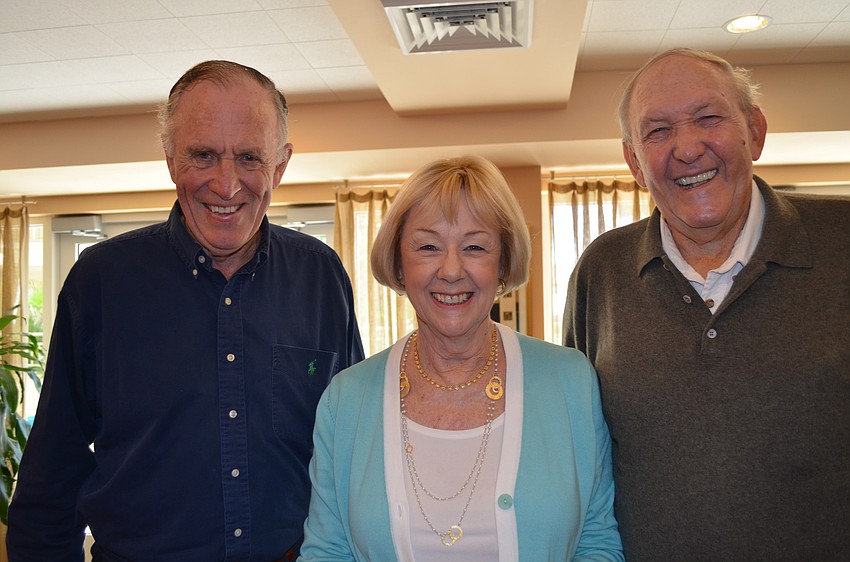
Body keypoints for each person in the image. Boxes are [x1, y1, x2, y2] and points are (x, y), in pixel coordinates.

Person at [6, 60, 364, 561]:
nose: (226, 184)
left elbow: (351, 451)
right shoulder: (102, 281)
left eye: (248, 158)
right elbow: (52, 474)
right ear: (171, 159)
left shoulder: (321, 277)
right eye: (203, 155)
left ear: (279, 166)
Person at [563, 48, 850, 561]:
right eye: (657, 131)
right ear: (633, 162)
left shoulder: (842, 241)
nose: (688, 148)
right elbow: (581, 455)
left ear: (755, 132)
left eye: (708, 118)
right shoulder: (601, 271)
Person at [298, 155, 623, 561]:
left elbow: (597, 542)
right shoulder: (346, 400)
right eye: (428, 246)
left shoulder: (570, 381)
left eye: (474, 246)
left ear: (503, 262)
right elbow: (327, 552)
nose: (451, 270)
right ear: (399, 263)